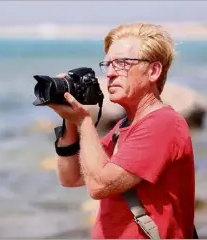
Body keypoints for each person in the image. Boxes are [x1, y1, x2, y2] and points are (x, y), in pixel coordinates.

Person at [48, 23, 195, 239]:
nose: (109, 74)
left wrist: (84, 122)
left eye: (121, 64)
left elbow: (99, 185)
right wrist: (69, 120)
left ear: (153, 71)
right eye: (106, 65)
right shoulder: (124, 126)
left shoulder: (163, 123)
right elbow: (72, 177)